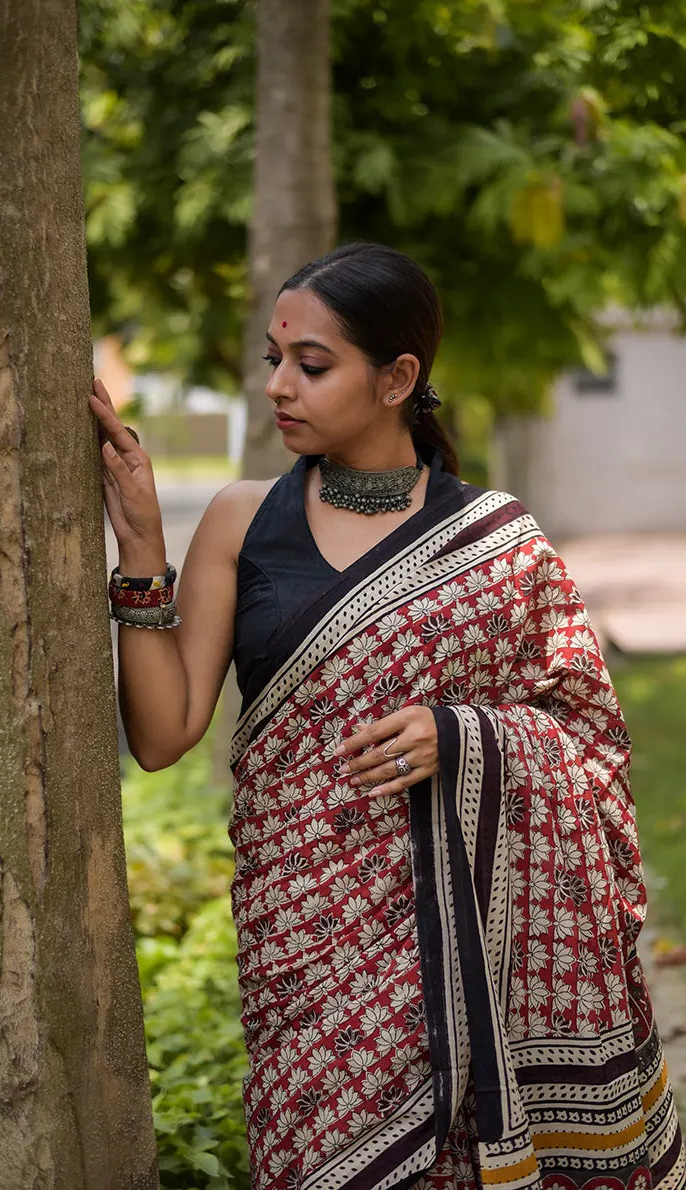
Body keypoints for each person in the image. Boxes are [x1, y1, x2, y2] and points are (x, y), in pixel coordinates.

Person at [88, 242, 685, 1190]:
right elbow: (164, 736)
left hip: (462, 942)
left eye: (312, 365)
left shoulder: (498, 546)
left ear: (398, 377)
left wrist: (464, 735)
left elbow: (591, 741)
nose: (280, 385)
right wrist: (143, 550)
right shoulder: (243, 521)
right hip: (304, 935)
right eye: (274, 360)